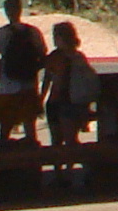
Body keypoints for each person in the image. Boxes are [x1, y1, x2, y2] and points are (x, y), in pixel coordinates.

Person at [40, 20, 98, 176]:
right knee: (71, 140)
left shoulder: (54, 57)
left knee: (57, 141)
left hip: (57, 102)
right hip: (76, 102)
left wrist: (40, 99)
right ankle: (72, 169)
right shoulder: (79, 57)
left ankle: (59, 171)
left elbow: (47, 81)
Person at [0, 0, 47, 143]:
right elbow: (43, 57)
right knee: (30, 129)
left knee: (4, 130)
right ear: (20, 10)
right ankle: (33, 160)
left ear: (6, 12)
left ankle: (4, 162)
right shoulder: (33, 32)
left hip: (7, 87)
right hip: (29, 86)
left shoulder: (1, 33)